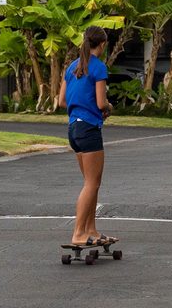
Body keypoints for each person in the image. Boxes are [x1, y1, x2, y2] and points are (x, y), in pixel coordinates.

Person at [56, 25, 114, 247]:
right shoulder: (98, 67)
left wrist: (82, 106)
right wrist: (109, 107)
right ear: (102, 44)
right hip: (89, 129)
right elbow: (100, 103)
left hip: (74, 129)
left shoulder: (73, 66)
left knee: (92, 182)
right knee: (92, 183)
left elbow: (62, 101)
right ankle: (79, 232)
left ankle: (91, 230)